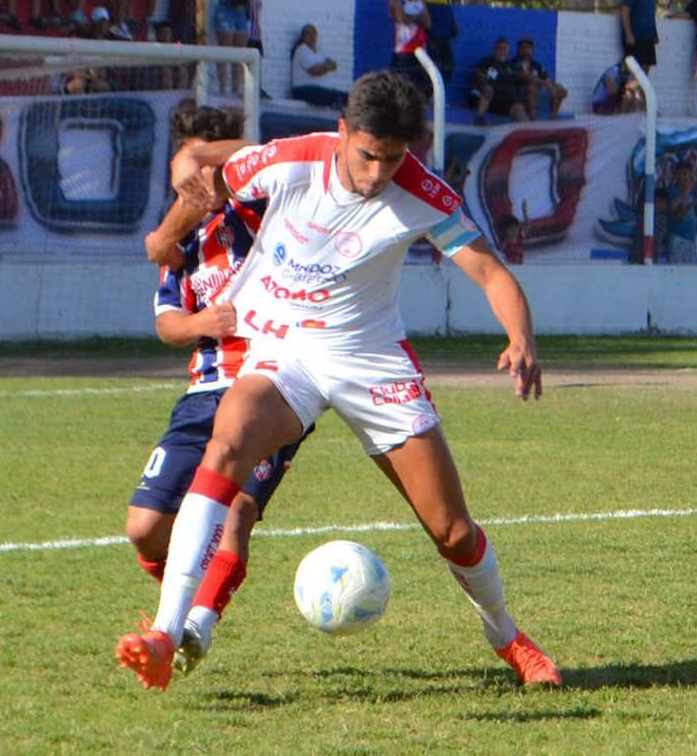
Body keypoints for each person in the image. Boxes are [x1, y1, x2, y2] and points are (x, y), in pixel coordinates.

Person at [115, 70, 561, 692]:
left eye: (394, 158)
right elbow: (214, 176)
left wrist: (522, 339)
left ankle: (506, 635)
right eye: (367, 154)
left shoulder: (423, 193)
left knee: (452, 531)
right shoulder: (292, 161)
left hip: (370, 359)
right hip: (287, 352)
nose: (378, 173)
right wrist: (179, 194)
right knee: (228, 443)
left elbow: (490, 274)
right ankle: (167, 633)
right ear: (343, 132)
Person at [129, 105, 312, 679]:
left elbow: (250, 157)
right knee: (143, 527)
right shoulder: (183, 246)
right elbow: (165, 323)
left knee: (238, 511)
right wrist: (201, 324)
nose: (189, 183)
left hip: (271, 386)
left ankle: (193, 626)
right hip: (202, 392)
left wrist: (195, 175)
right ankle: (189, 591)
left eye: (199, 168)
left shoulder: (262, 209)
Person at [212, 0, 253, 94]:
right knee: (225, 49)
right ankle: (222, 87)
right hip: (225, 10)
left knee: (240, 52)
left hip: (242, 13)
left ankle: (236, 88)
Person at [389, 0, 431, 100]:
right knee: (400, 82)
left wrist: (411, 18)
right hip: (403, 49)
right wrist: (418, 18)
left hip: (420, 49)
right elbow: (402, 19)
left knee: (419, 83)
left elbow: (427, 23)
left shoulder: (420, 2)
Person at [468, 37, 528, 126]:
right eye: (498, 48)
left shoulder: (513, 66)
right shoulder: (487, 62)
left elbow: (521, 81)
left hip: (507, 103)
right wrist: (485, 85)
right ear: (494, 50)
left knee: (519, 108)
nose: (501, 51)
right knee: (487, 90)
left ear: (508, 51)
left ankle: (527, 130)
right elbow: (479, 76)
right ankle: (479, 118)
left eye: (504, 48)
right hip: (491, 100)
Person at [420, 0, 463, 83]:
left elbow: (446, 12)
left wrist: (452, 27)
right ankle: (428, 95)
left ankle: (436, 94)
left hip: (445, 35)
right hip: (433, 34)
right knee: (432, 67)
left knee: (448, 66)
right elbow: (420, 1)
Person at [289, 24, 349, 110]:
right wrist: (326, 67)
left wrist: (323, 67)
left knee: (347, 97)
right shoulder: (302, 50)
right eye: (308, 33)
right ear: (303, 37)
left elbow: (334, 65)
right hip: (302, 89)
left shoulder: (320, 50)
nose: (312, 36)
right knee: (334, 96)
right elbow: (315, 71)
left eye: (314, 33)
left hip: (321, 89)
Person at [509, 37, 568, 120]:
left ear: (532, 50)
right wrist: (545, 83)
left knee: (559, 87)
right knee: (531, 86)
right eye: (522, 47)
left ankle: (553, 116)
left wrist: (552, 88)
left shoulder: (536, 65)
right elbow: (526, 77)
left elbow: (546, 78)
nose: (525, 50)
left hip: (537, 94)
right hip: (518, 95)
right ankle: (533, 117)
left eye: (528, 48)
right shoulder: (513, 64)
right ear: (518, 49)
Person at [619, 0, 657, 73]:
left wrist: (654, 33)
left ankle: (641, 91)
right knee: (634, 70)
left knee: (646, 69)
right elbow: (625, 11)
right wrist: (628, 33)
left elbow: (651, 13)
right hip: (636, 37)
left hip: (648, 37)